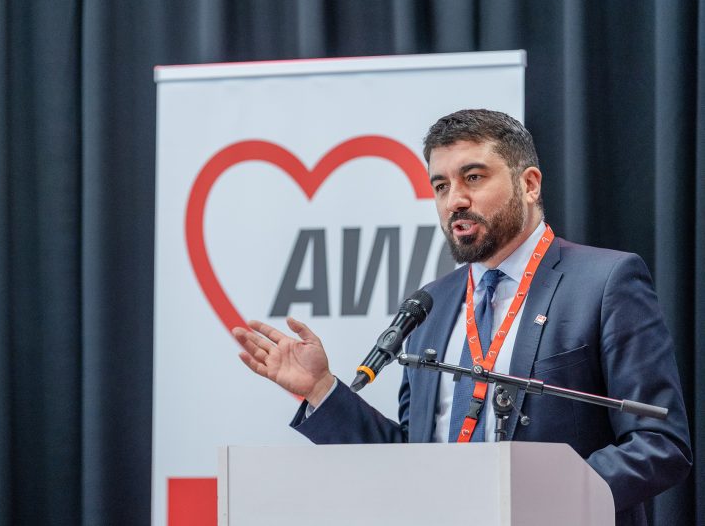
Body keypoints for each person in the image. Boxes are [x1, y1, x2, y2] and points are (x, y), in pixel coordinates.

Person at [232, 109, 691, 526]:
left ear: (529, 184)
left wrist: (545, 501)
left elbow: (660, 443)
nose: (454, 200)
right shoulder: (430, 305)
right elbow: (409, 462)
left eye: (473, 177)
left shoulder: (605, 280)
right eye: (441, 185)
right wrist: (320, 391)